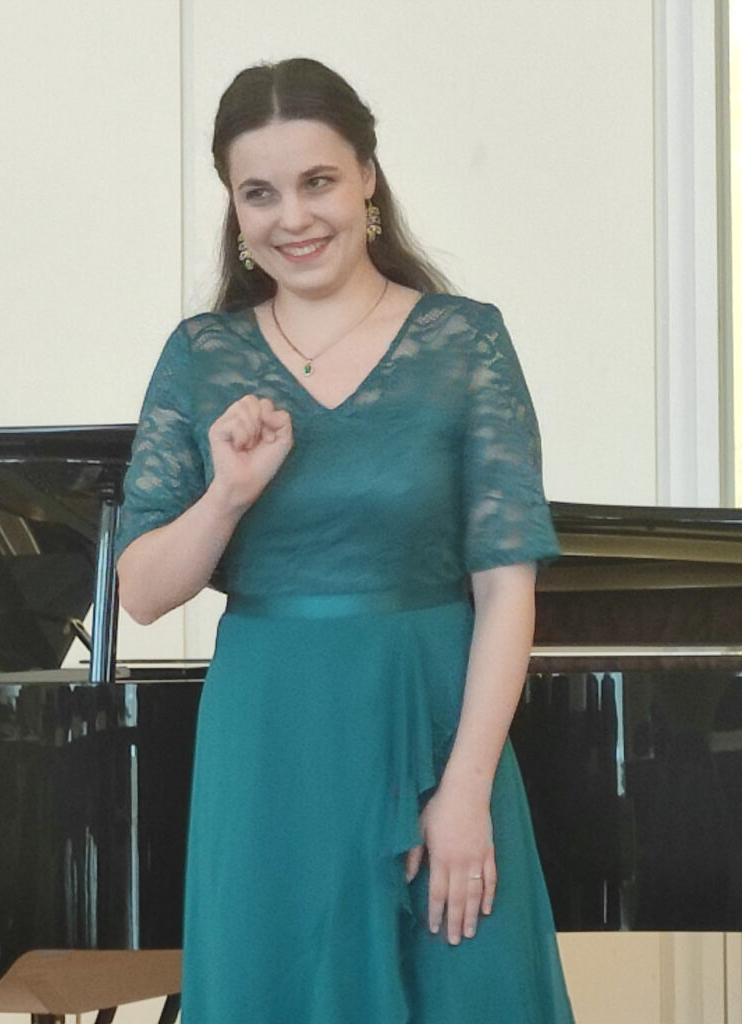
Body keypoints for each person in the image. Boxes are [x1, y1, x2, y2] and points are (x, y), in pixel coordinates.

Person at [115, 56, 576, 1024]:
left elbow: (505, 588)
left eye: (317, 180)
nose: (293, 217)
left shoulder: (464, 341)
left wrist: (465, 793)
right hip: (270, 741)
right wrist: (227, 496)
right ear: (234, 207)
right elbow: (143, 592)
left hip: (436, 726)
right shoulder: (201, 354)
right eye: (259, 192)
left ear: (367, 176)